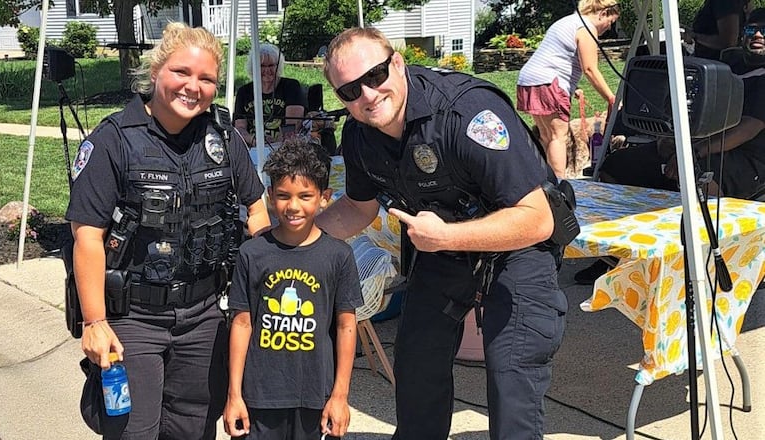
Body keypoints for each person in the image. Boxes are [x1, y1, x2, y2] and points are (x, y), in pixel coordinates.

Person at [319, 27, 567, 440]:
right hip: (442, 248)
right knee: (416, 361)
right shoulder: (360, 135)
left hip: (516, 246)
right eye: (349, 91)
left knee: (511, 380)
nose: (367, 95)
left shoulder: (468, 113)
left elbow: (537, 218)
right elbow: (357, 210)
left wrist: (448, 237)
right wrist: (287, 239)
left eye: (376, 75)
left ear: (397, 63)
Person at [66, 22, 271, 439]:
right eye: (181, 72)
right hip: (134, 317)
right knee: (132, 430)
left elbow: (257, 211)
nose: (193, 86)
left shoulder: (223, 137)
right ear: (156, 71)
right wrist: (94, 322)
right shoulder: (113, 140)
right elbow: (87, 235)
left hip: (204, 316)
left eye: (206, 78)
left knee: (195, 428)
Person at [575, 8, 765, 285]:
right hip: (697, 144)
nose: (757, 35)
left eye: (764, 31)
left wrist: (692, 152)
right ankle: (618, 256)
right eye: (751, 30)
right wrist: (671, 138)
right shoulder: (727, 68)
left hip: (747, 157)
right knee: (619, 166)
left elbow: (748, 128)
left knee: (699, 177)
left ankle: (709, 262)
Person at [223, 138, 364, 439]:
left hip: (316, 396)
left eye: (305, 195)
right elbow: (242, 322)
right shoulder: (252, 253)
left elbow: (346, 326)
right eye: (284, 196)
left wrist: (340, 396)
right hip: (260, 397)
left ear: (324, 197)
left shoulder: (338, 256)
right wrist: (234, 395)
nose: (294, 206)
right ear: (270, 196)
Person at [516, 0, 620, 179]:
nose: (608, 28)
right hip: (549, 82)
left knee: (547, 136)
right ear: (603, 13)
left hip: (529, 80)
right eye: (610, 22)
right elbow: (590, 69)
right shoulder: (586, 28)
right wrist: (612, 98)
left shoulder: (568, 22)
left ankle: (545, 183)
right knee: (558, 137)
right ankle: (559, 189)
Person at [233, 43, 306, 147]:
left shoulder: (291, 86)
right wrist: (254, 140)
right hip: (253, 147)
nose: (267, 70)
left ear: (278, 66)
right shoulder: (243, 92)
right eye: (262, 66)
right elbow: (239, 128)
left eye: (271, 65)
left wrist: (275, 143)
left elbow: (293, 125)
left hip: (284, 146)